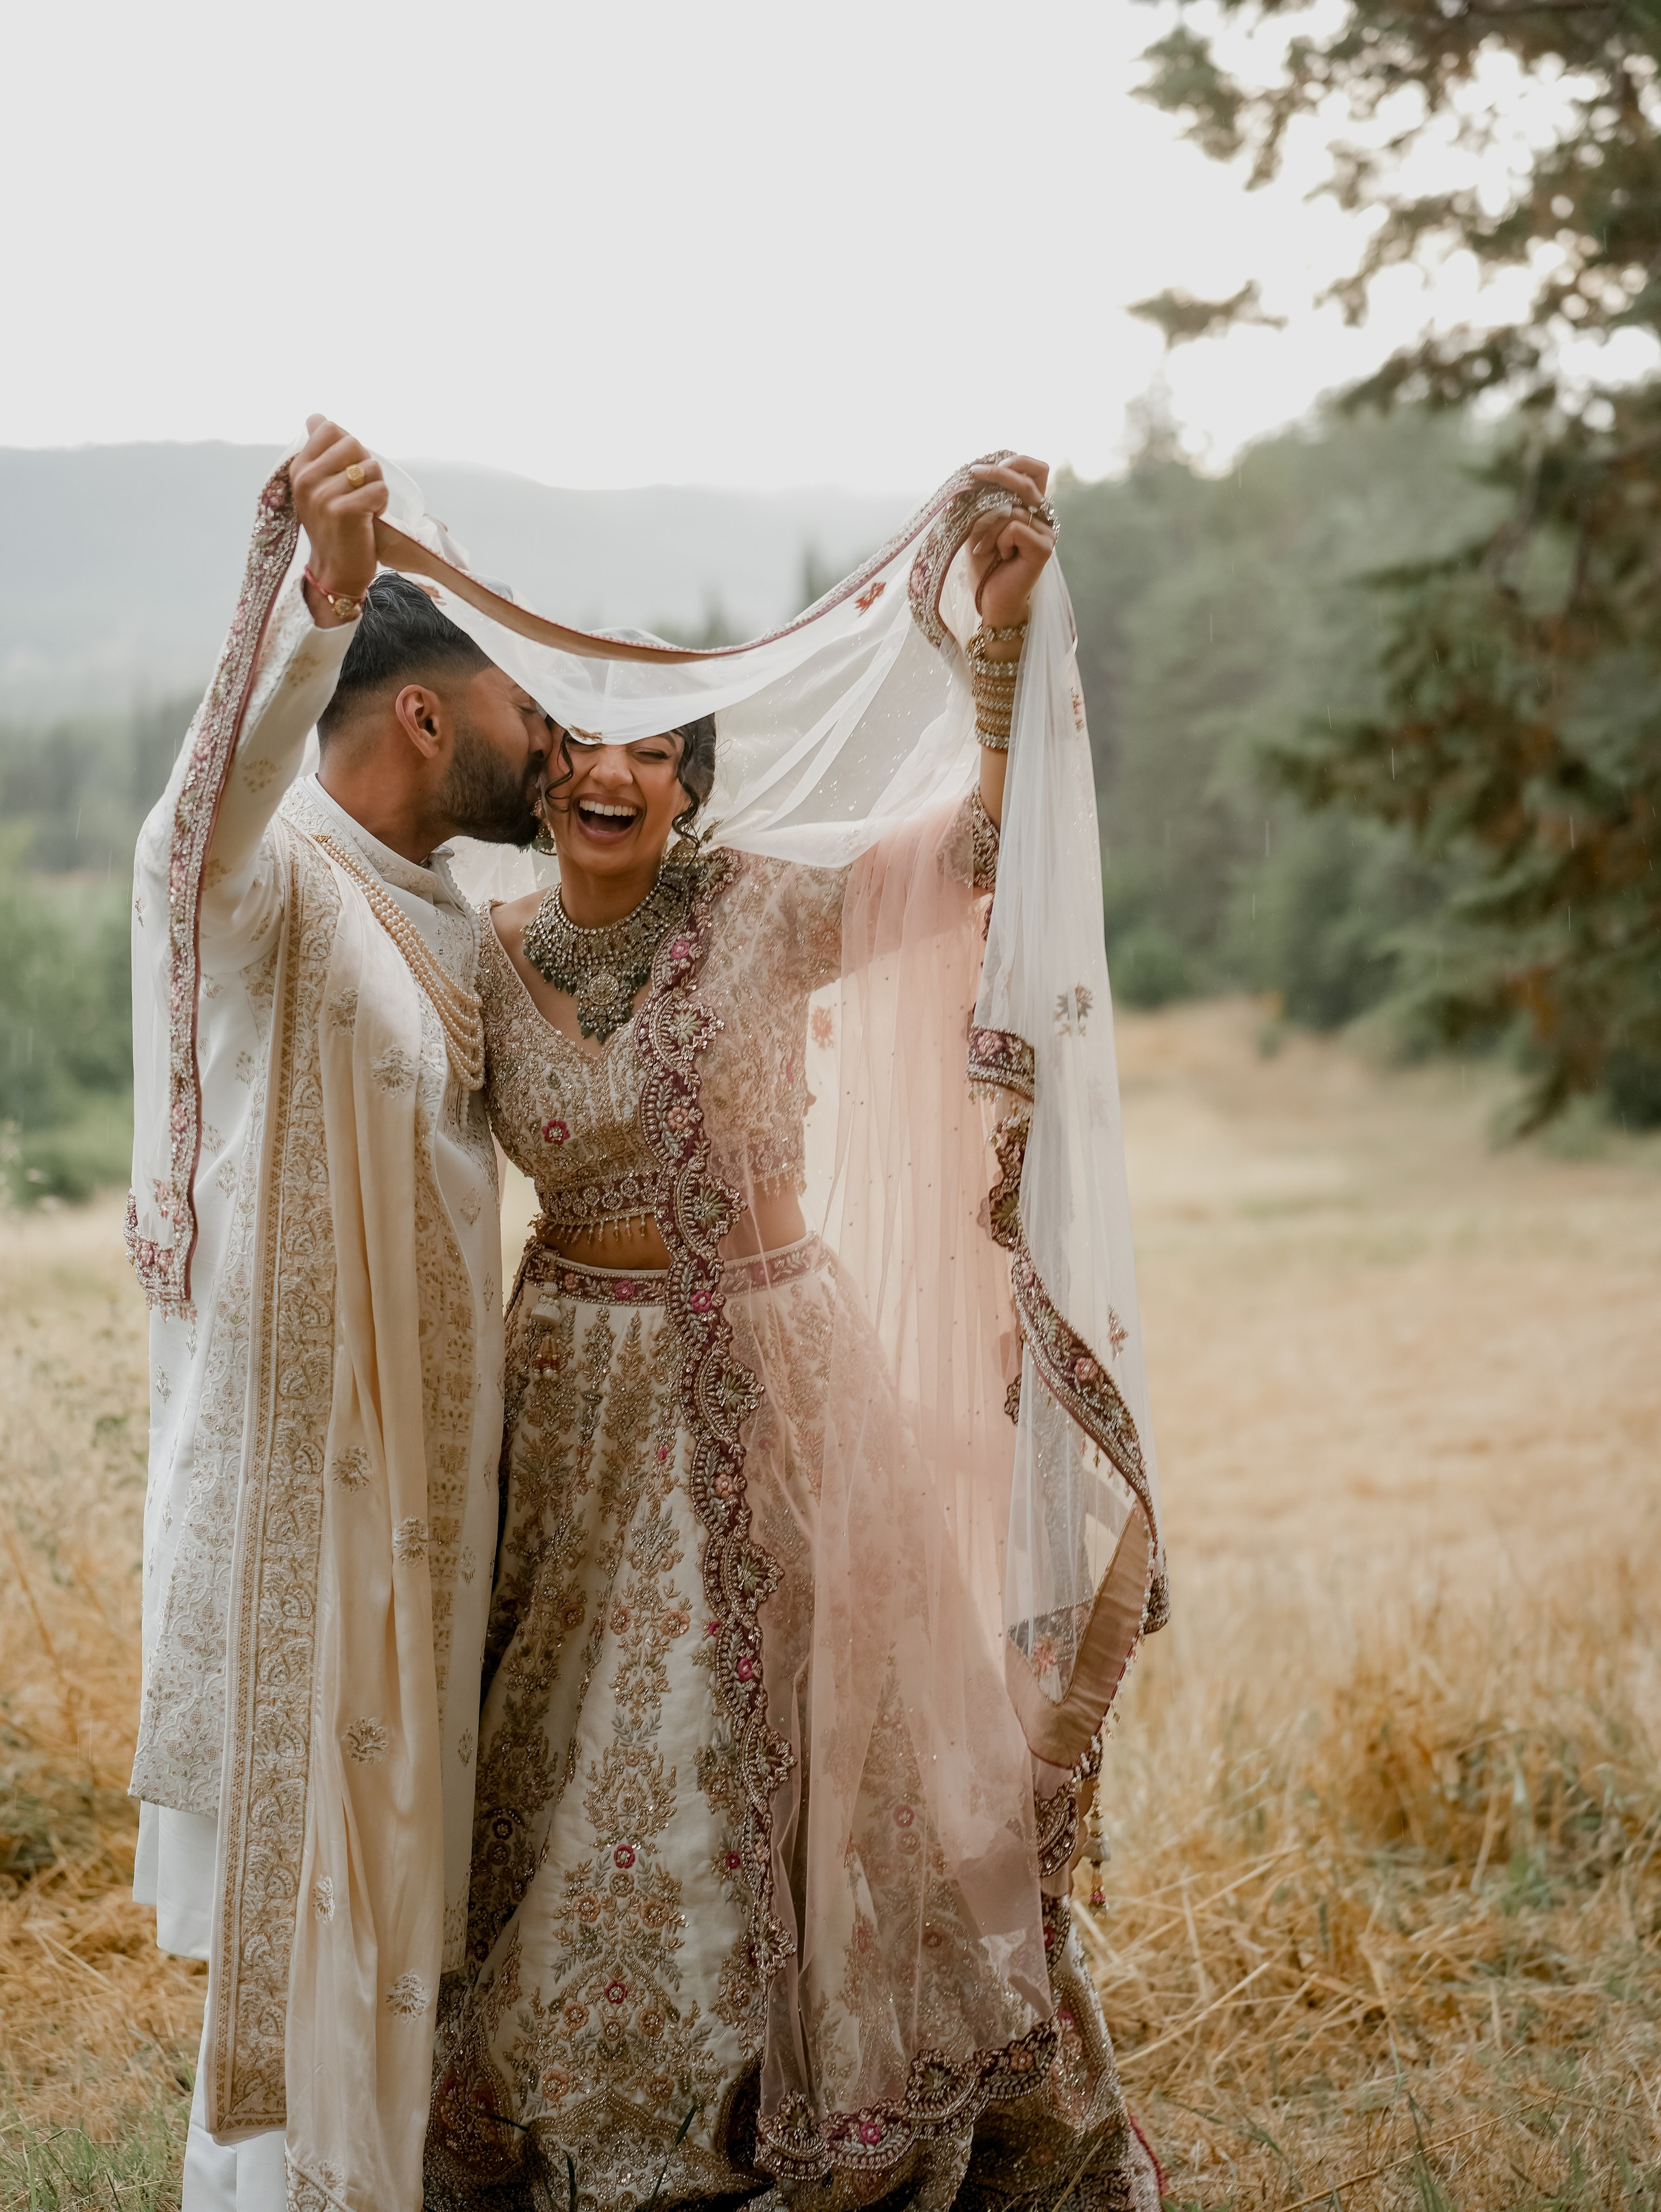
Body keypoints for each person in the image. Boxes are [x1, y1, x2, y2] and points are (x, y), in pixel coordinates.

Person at [389, 455, 1169, 2212]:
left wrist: (1005, 655)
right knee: (586, 1747)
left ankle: (849, 2096)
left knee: (844, 1753)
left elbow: (975, 848)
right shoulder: (480, 960)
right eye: (585, 739)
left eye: (655, 747)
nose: (612, 769)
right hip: (574, 1397)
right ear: (543, 770)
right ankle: (604, 2108)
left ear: (690, 780)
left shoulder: (759, 911)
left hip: (781, 1372)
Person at [128, 418, 552, 2212]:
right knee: (304, 1966)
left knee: (397, 1952)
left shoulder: (455, 923)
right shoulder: (272, 885)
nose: (553, 745)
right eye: (526, 707)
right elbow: (180, 835)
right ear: (427, 717)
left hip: (432, 1537)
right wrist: (318, 593)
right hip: (303, 1536)